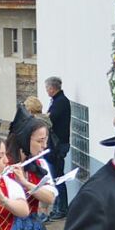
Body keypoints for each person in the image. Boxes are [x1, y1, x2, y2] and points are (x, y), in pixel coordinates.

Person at [45, 76, 71, 219]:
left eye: (47, 88)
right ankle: (57, 207)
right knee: (55, 177)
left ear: (52, 88)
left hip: (58, 145)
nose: (47, 91)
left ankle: (62, 209)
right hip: (57, 144)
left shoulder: (60, 102)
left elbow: (49, 119)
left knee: (58, 177)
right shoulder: (57, 100)